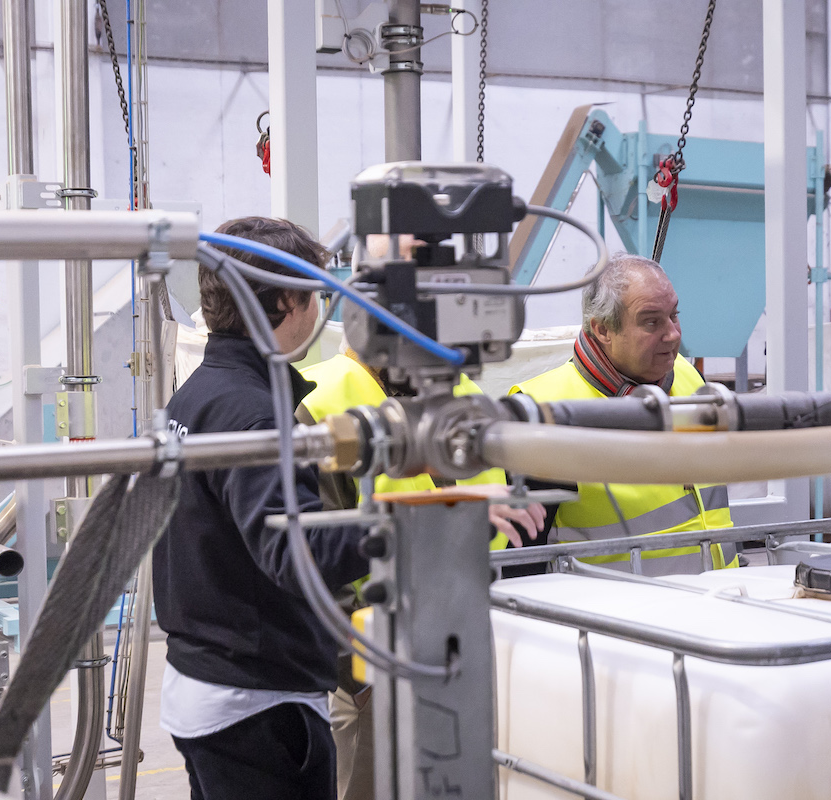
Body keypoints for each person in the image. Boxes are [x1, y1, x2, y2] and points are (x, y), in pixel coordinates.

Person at [154, 216, 369, 800]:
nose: (322, 309)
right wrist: (413, 525)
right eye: (316, 294)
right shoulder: (252, 412)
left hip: (206, 683)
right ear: (285, 300)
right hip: (256, 705)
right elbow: (293, 553)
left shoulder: (197, 394)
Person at [298, 343, 544, 800]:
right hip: (375, 671)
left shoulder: (460, 393)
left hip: (466, 655)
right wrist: (359, 680)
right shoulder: (323, 401)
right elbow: (315, 563)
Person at [510, 253, 737, 576]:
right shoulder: (546, 411)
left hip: (716, 600)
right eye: (651, 322)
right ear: (603, 330)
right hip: (611, 619)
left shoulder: (688, 378)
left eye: (674, 316)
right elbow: (522, 563)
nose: (673, 335)